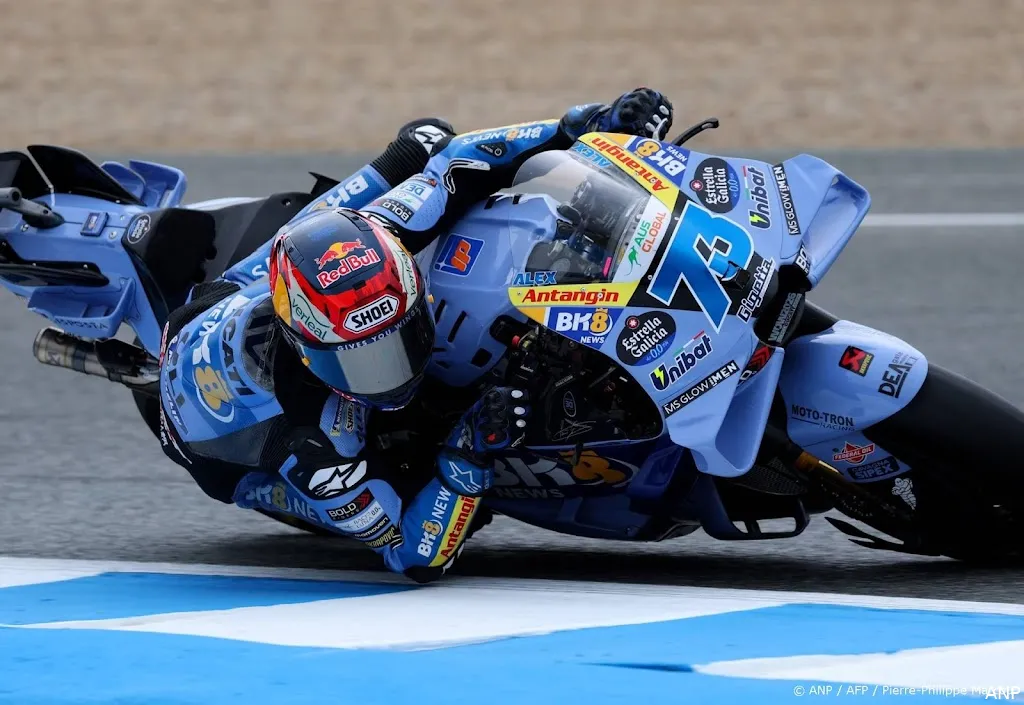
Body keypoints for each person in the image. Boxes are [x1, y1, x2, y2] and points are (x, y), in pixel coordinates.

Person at [157, 88, 674, 583]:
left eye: (400, 338)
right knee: (420, 467)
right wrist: (468, 452)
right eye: (365, 362)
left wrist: (586, 124)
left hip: (232, 295)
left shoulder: (384, 231)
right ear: (311, 351)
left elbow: (459, 160)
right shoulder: (316, 448)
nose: (395, 372)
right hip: (225, 447)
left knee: (426, 143)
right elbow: (413, 556)